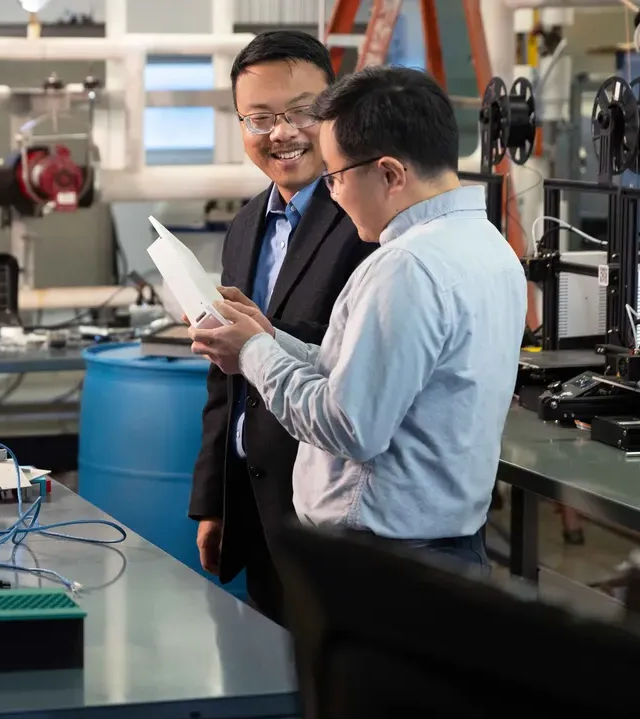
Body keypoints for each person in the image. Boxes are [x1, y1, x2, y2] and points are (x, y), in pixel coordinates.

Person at [190, 67, 527, 571]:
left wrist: (252, 354)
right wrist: (267, 336)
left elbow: (350, 426)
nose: (335, 195)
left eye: (335, 177)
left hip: (384, 563)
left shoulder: (406, 268)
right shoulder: (488, 247)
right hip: (439, 548)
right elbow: (359, 375)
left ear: (390, 174)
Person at [187, 30, 375, 622]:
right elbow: (227, 378)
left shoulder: (368, 221)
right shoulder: (245, 226)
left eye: (300, 111)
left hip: (337, 514)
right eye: (260, 117)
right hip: (255, 508)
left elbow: (363, 364)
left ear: (335, 108)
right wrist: (215, 504)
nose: (282, 133)